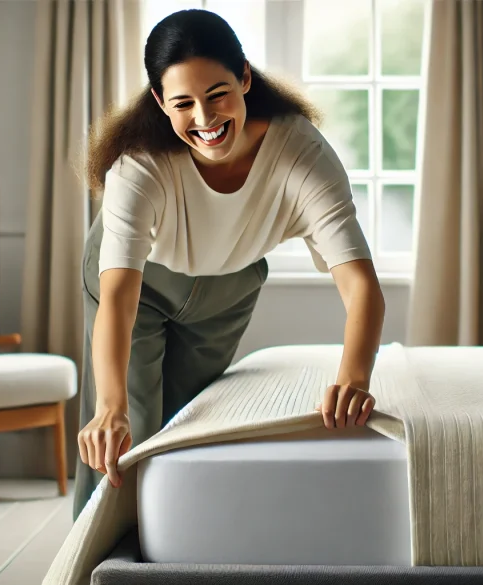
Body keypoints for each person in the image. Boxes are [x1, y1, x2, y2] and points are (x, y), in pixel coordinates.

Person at [73, 8, 386, 519]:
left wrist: (354, 378)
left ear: (244, 77)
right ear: (160, 102)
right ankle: (95, 565)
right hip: (138, 284)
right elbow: (118, 297)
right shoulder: (138, 166)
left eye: (217, 94)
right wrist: (109, 407)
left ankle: (176, 555)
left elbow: (361, 285)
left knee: (189, 425)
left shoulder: (300, 153)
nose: (205, 119)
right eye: (183, 103)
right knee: (125, 430)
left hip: (228, 285)